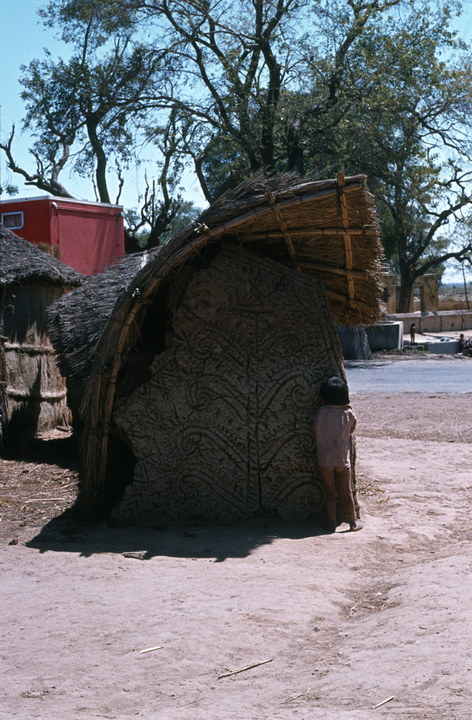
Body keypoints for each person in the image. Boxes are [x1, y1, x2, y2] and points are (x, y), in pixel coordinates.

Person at [314, 376, 362, 532]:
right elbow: (352, 428)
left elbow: (315, 427)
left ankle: (331, 524)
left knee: (329, 492)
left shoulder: (322, 411)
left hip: (325, 458)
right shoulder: (348, 412)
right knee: (346, 491)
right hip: (342, 457)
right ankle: (353, 523)